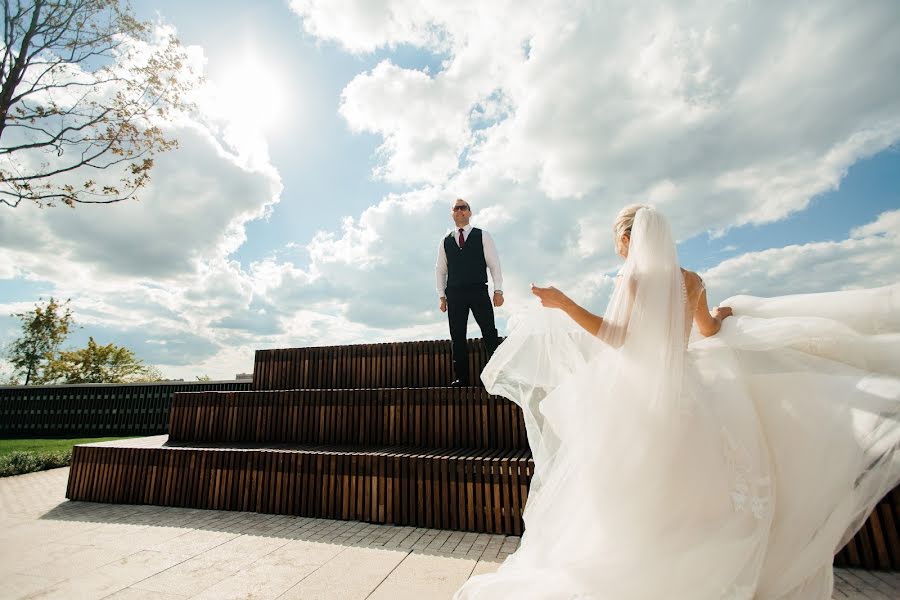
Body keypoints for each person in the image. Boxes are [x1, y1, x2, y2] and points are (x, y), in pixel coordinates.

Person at [454, 204, 900, 600]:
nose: (618, 249)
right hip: (690, 392)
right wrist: (723, 314)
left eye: (617, 241)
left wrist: (563, 303)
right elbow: (706, 331)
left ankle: (637, 565)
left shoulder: (635, 282)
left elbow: (617, 338)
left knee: (628, 489)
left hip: (637, 396)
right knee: (696, 491)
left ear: (629, 238)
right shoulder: (693, 280)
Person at [436, 198, 504, 386]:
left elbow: (494, 264)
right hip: (455, 293)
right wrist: (442, 296)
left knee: (489, 331)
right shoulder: (445, 241)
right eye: (456, 208)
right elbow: (440, 270)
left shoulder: (483, 235)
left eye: (463, 208)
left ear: (469, 212)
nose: (460, 211)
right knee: (457, 335)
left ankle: (497, 376)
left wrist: (498, 290)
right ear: (452, 213)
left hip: (478, 290)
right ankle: (462, 378)